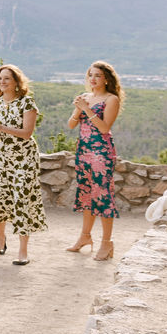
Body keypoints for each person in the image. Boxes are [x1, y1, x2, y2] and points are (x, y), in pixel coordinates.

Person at [0, 65, 48, 265]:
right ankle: (1, 237)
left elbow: (27, 133)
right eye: (0, 78)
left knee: (22, 198)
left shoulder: (27, 103)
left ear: (16, 82)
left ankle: (23, 250)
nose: (2, 82)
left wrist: (2, 127)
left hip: (24, 158)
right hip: (1, 156)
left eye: (7, 78)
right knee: (0, 197)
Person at [66, 61, 124, 262]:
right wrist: (78, 109)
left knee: (102, 195)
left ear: (106, 79)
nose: (93, 79)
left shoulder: (111, 99)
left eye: (97, 75)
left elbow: (105, 128)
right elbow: (71, 125)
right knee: (86, 194)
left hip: (101, 153)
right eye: (90, 75)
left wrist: (87, 109)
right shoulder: (85, 97)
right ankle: (85, 237)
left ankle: (107, 243)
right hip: (83, 151)